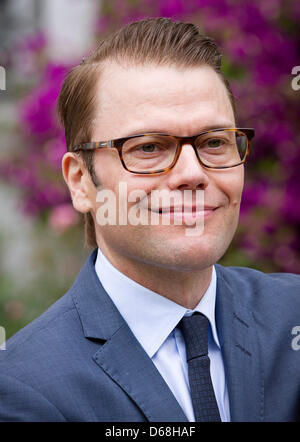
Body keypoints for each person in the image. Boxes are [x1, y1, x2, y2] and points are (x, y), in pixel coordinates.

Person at [0, 17, 299, 423]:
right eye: (149, 147)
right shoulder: (25, 389)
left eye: (214, 142)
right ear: (81, 182)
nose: (193, 174)